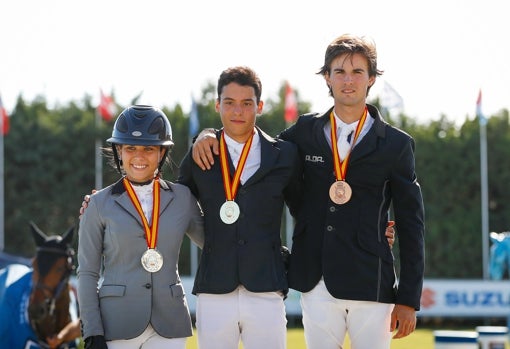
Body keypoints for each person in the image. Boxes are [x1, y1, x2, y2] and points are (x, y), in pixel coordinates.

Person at [191, 34, 425, 349]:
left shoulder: (396, 144)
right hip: (316, 282)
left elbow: (412, 224)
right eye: (339, 71)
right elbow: (252, 141)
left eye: (357, 72)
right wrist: (208, 134)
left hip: (373, 280)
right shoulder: (304, 132)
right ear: (326, 77)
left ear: (371, 78)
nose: (348, 80)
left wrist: (408, 298)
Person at [178, 66, 303, 349]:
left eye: (247, 103)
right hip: (214, 288)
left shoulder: (285, 155)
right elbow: (173, 203)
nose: (237, 111)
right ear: (217, 104)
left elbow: (306, 212)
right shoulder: (200, 152)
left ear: (259, 106)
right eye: (229, 103)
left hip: (267, 287)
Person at [77, 105, 204, 349]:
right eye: (130, 148)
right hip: (117, 323)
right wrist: (92, 331)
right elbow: (88, 273)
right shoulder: (97, 204)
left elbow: (214, 244)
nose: (139, 156)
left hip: (170, 323)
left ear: (161, 153)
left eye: (149, 148)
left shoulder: (183, 198)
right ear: (119, 152)